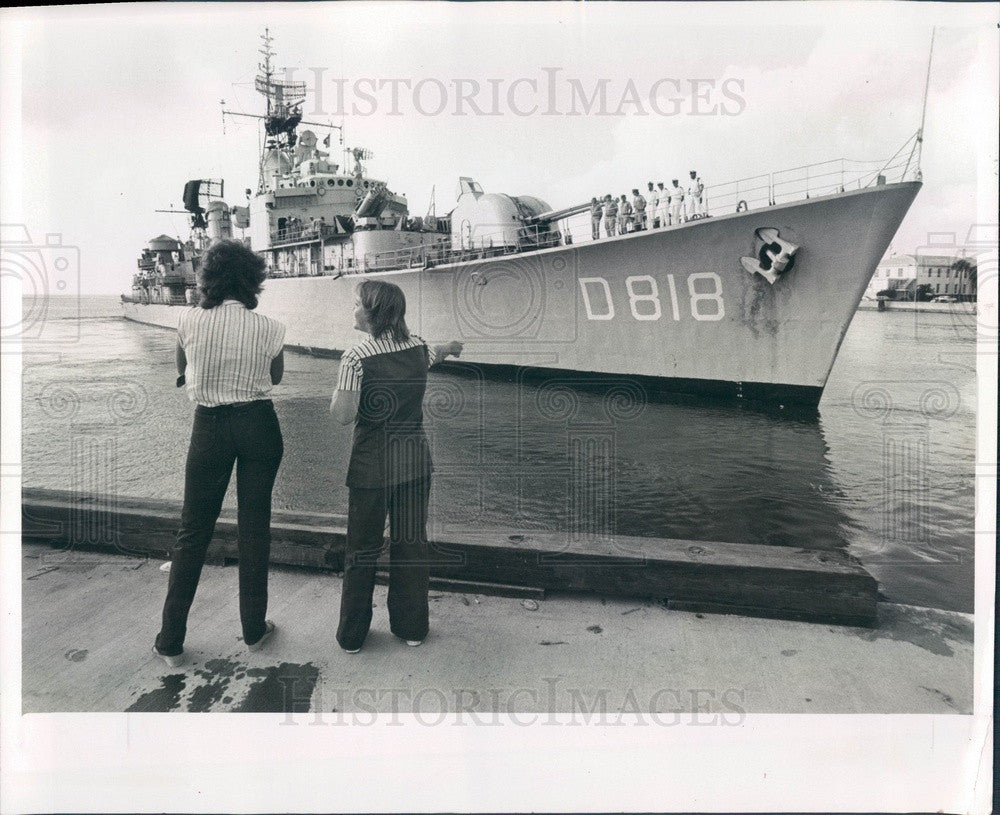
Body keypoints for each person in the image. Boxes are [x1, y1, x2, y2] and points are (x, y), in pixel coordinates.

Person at [153, 239, 286, 667]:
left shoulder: (188, 319)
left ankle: (171, 641)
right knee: (255, 528)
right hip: (258, 426)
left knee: (192, 531)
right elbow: (275, 377)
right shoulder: (270, 327)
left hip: (209, 427)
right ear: (253, 280)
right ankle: (254, 630)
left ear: (207, 278)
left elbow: (181, 368)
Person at [330, 280, 463, 653]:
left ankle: (353, 635)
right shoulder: (417, 347)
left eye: (357, 304)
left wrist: (340, 388)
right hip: (415, 462)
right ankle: (412, 628)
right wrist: (451, 348)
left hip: (372, 466)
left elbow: (342, 415)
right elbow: (434, 353)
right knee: (410, 545)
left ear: (373, 312)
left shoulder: (355, 358)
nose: (353, 311)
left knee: (362, 549)